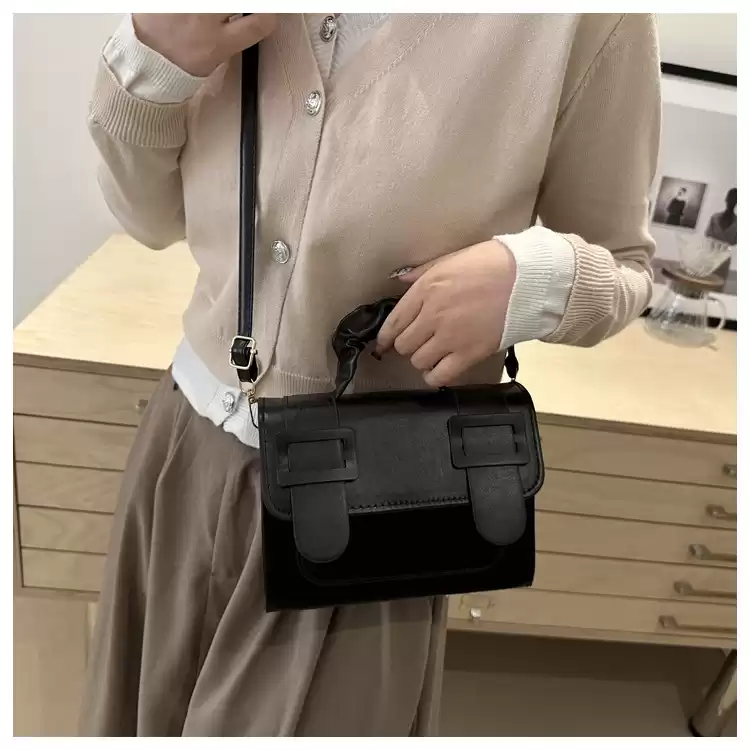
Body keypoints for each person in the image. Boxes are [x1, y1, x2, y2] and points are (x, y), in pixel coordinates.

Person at [80, 13, 660, 736]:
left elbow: (628, 266)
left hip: (369, 508)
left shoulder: (582, 21)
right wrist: (158, 58)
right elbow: (150, 217)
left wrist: (531, 279)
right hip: (183, 450)